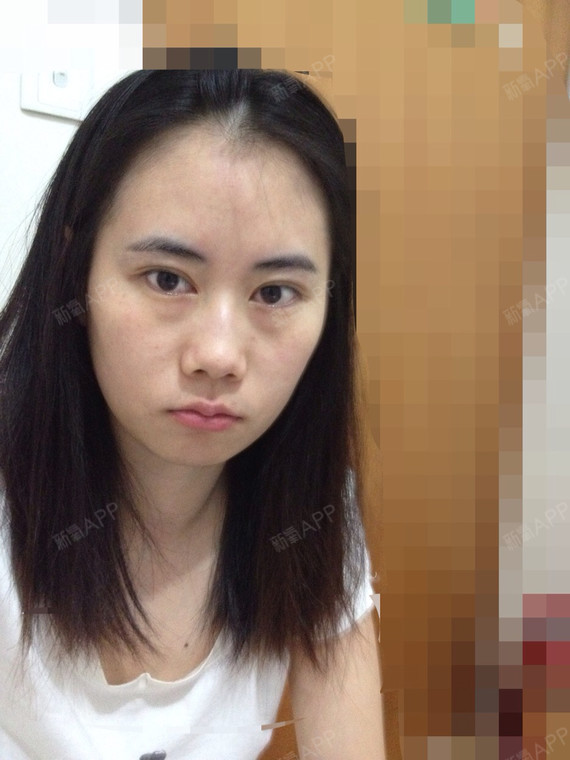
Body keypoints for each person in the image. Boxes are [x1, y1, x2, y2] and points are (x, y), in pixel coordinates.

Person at [0, 69, 384, 759]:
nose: (218, 356)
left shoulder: (314, 512)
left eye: (275, 292)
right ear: (75, 271)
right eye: (168, 279)